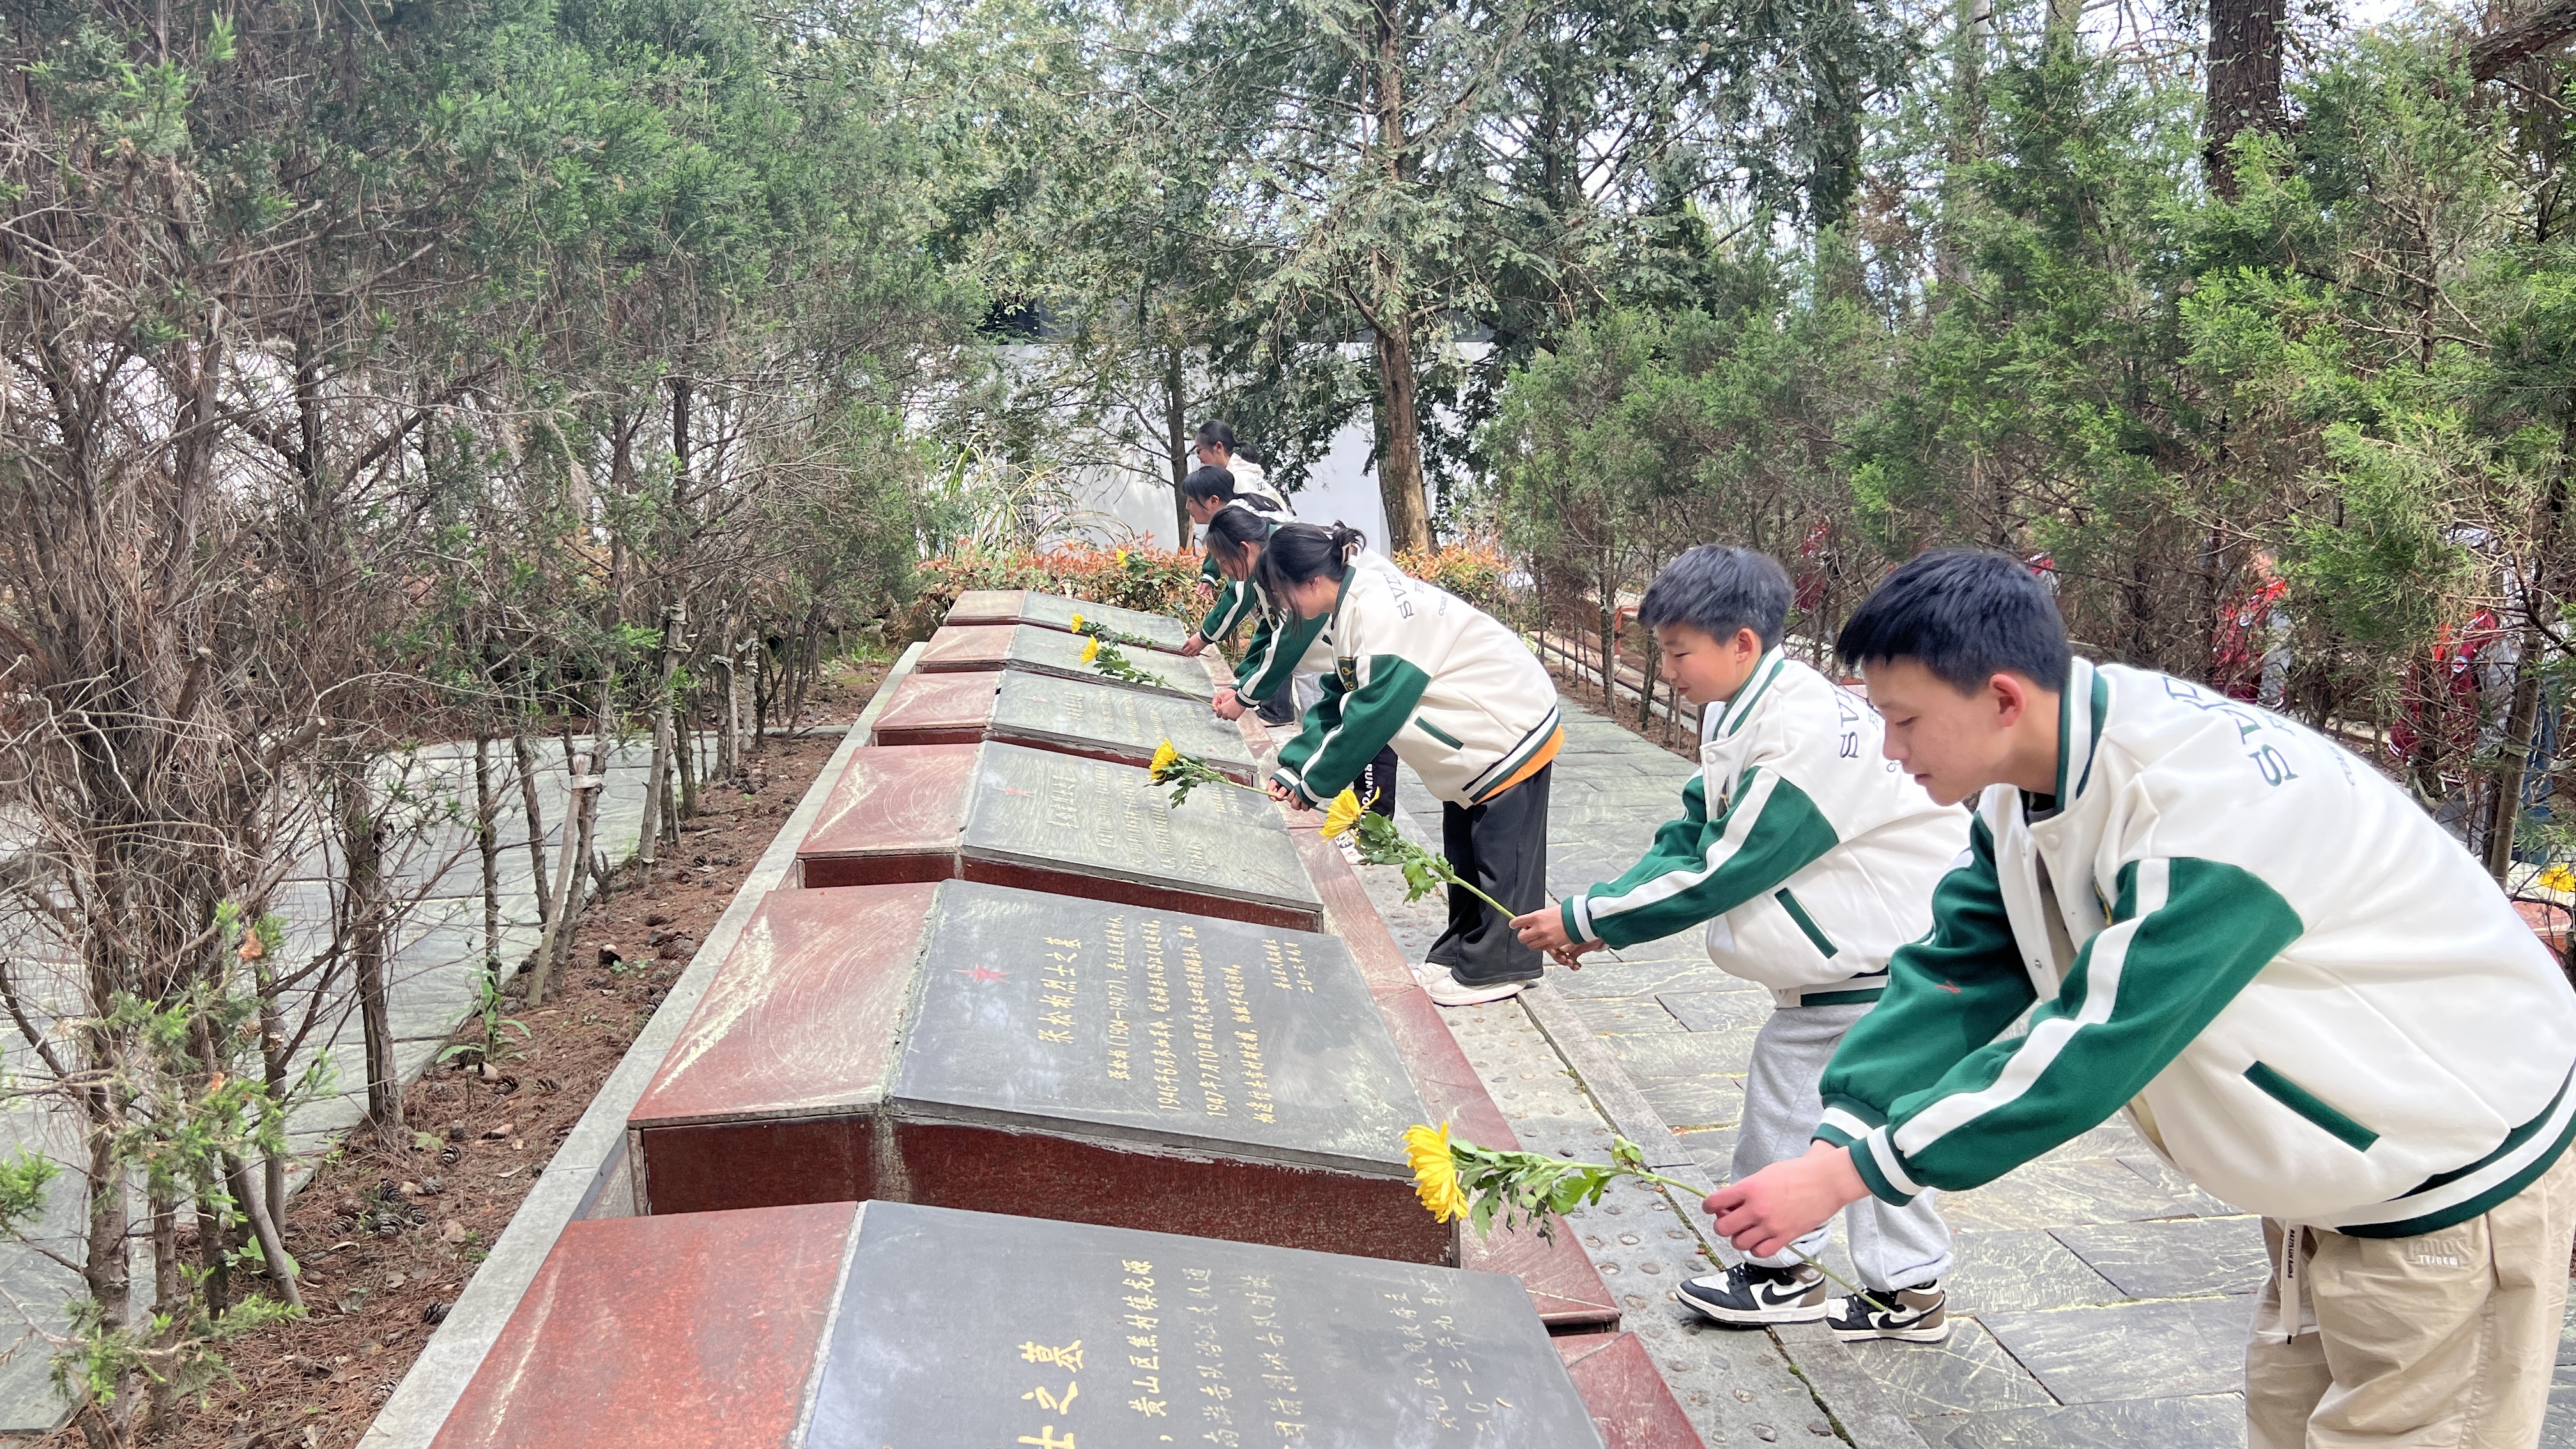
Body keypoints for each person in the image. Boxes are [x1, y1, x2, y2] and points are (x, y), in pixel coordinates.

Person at [1706, 548, 2576, 1448]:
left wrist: (1852, 1174)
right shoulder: (2031, 776)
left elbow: (2097, 1037)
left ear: (2002, 697)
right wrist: (1845, 1126)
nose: (1890, 750)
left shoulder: (2207, 808)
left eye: (1905, 721)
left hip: (2451, 1181)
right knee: (2289, 1422)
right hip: (2333, 1182)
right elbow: (1960, 961)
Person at [1509, 546, 1965, 1340]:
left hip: (1881, 956)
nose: (1671, 668)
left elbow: (1726, 867)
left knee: (1802, 1109)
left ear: (1743, 643)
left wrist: (1589, 921)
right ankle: (1901, 1288)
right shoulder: (1741, 707)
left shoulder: (1801, 733)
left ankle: (1784, 1270)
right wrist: (1602, 909)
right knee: (1862, 1123)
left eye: (1679, 652)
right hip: (1871, 953)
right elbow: (1693, 830)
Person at [1259, 523, 1562, 1006]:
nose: (1283, 607)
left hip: (1507, 720)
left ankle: (1503, 965)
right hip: (1477, 727)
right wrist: (1294, 768)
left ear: (1312, 582)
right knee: (1465, 849)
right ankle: (1463, 951)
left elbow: (1368, 716)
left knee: (1505, 856)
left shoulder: (1377, 613)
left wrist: (1311, 785)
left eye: (1281, 594)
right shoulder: (1353, 597)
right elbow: (1342, 693)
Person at [1201, 507, 1399, 820]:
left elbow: (1290, 636)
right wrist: (1298, 768)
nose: (1225, 572)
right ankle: (1368, 823)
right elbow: (1275, 629)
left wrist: (1308, 778)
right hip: (1368, 664)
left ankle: (1373, 824)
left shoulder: (1301, 566)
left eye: (1224, 562)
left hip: (1486, 756)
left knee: (1374, 738)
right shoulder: (1288, 563)